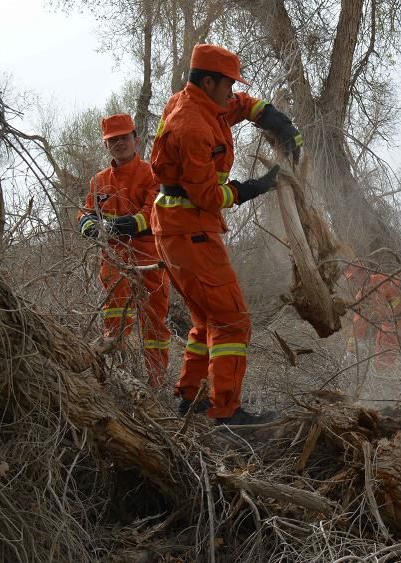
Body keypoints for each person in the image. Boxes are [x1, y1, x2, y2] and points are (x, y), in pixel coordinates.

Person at [149, 44, 302, 425]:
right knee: (232, 321)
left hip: (177, 229)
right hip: (190, 229)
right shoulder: (192, 125)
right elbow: (208, 196)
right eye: (228, 84)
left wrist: (273, 118)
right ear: (209, 81)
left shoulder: (202, 103)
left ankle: (191, 399)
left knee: (206, 319)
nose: (232, 92)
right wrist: (257, 186)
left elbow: (238, 106)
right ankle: (226, 412)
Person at [78, 113, 170, 388]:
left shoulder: (152, 173)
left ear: (135, 139)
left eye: (124, 138)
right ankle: (118, 380)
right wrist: (87, 225)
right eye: (113, 140)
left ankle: (156, 384)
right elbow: (84, 212)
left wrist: (112, 226)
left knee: (154, 324)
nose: (119, 143)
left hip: (149, 260)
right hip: (113, 262)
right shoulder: (99, 181)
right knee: (114, 323)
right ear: (106, 145)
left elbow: (150, 215)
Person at [345, 264, 401, 387]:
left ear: (364, 272)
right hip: (388, 331)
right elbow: (359, 321)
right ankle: (388, 390)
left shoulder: (386, 280)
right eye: (351, 280)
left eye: (354, 278)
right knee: (382, 367)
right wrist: (351, 348)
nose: (354, 283)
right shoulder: (361, 297)